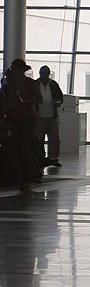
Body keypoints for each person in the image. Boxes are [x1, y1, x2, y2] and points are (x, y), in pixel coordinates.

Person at [0, 59, 42, 191]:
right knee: (19, 147)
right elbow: (8, 102)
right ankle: (25, 176)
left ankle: (29, 175)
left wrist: (27, 99)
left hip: (27, 118)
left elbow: (39, 99)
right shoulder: (9, 86)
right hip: (16, 118)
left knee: (22, 146)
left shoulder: (29, 83)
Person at [35, 66, 64, 168]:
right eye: (42, 73)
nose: (44, 75)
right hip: (40, 116)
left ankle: (53, 158)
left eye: (45, 73)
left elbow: (60, 97)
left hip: (52, 115)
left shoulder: (53, 84)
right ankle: (40, 157)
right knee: (39, 138)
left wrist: (58, 103)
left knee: (54, 138)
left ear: (48, 74)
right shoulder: (35, 84)